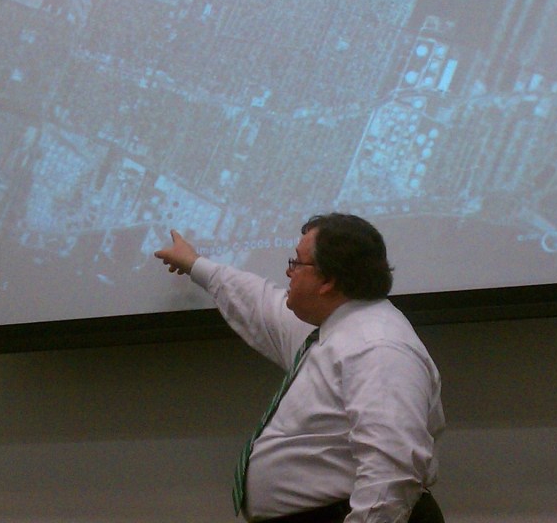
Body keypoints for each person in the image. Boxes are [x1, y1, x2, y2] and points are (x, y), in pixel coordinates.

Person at [155, 213, 445, 523]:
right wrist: (194, 263)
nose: (288, 271)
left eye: (297, 262)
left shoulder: (378, 346)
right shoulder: (334, 327)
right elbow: (259, 303)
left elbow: (391, 472)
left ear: (328, 280)